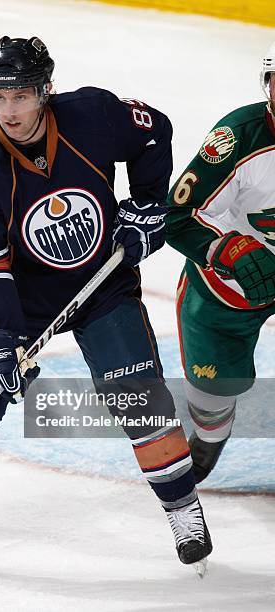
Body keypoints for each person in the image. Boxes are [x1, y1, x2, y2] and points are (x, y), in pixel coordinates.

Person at [0, 35, 212, 568]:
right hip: (23, 299)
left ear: (45, 91)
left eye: (20, 96)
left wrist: (145, 204)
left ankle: (184, 510)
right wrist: (1, 336)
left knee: (140, 398)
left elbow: (153, 132)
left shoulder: (91, 115)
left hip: (101, 281)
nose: (9, 110)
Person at [166, 42, 275, 483]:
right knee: (213, 391)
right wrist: (230, 249)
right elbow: (178, 215)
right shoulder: (239, 138)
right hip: (233, 285)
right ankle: (211, 435)